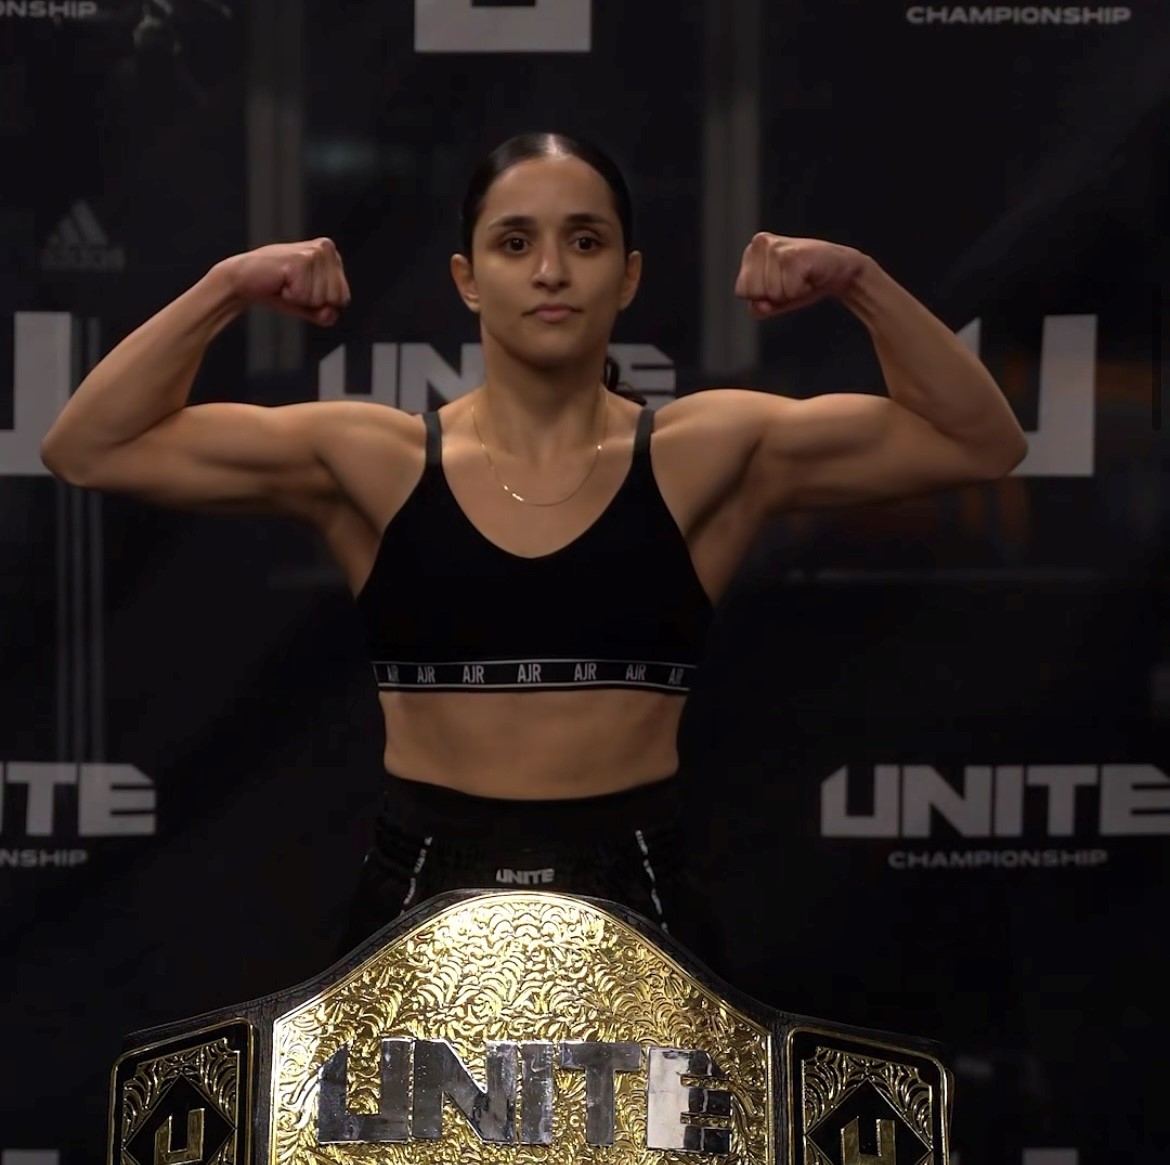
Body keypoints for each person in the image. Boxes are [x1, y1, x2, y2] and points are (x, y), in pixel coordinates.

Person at [40, 132, 1027, 969]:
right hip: (423, 899)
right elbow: (90, 446)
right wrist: (226, 287)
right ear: (467, 279)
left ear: (627, 275)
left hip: (636, 900)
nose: (551, 270)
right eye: (515, 243)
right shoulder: (375, 460)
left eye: (584, 241)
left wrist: (859, 281)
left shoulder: (705, 452)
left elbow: (978, 440)